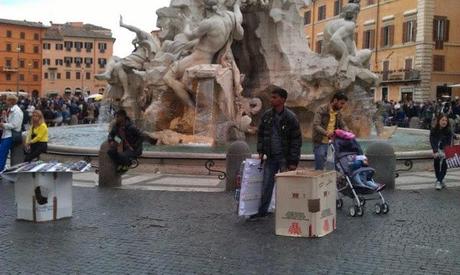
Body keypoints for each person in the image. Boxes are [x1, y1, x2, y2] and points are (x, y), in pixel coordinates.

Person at [251, 87, 302, 219]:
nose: (271, 99)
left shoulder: (291, 117)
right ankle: (262, 212)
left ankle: (288, 213)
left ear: (283, 100)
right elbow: (261, 134)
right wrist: (261, 150)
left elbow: (296, 141)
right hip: (271, 156)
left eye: (274, 97)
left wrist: (293, 162)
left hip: (285, 159)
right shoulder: (267, 115)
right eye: (271, 97)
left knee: (287, 187)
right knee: (266, 185)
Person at [312, 91, 348, 170]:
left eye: (343, 104)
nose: (342, 106)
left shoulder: (338, 113)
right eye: (341, 103)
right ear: (335, 100)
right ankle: (319, 180)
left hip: (333, 141)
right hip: (320, 141)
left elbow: (343, 124)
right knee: (320, 165)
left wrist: (348, 132)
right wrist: (326, 133)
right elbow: (316, 125)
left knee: (336, 163)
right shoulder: (322, 109)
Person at [429, 114, 459, 190]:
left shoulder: (448, 130)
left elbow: (449, 142)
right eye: (442, 120)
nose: (444, 122)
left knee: (445, 165)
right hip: (437, 149)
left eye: (446, 120)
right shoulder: (433, 130)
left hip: (446, 149)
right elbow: (432, 141)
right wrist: (435, 151)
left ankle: (439, 181)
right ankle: (440, 180)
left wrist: (447, 152)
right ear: (439, 120)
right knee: (436, 162)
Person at [0, 95, 24, 171]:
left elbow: (15, 125)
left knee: (2, 154)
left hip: (11, 135)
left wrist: (3, 125)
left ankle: (0, 170)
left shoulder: (17, 111)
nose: (5, 102)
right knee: (2, 153)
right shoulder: (10, 109)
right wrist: (4, 118)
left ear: (12, 101)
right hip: (6, 135)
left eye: (7, 100)